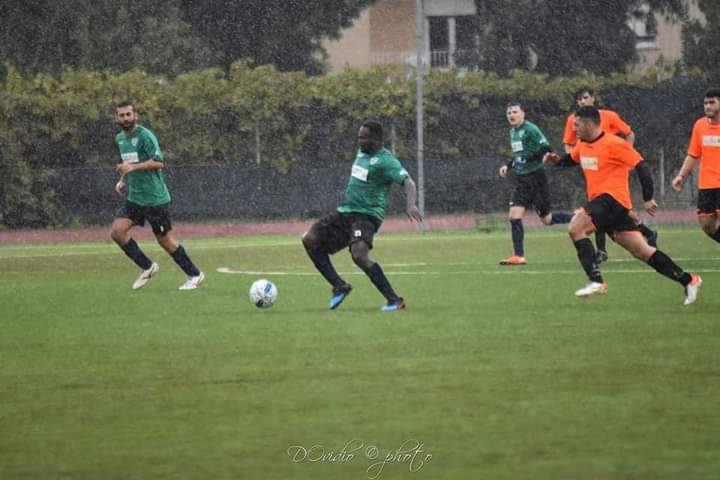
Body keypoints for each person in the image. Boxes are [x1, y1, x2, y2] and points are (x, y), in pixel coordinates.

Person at [545, 106, 701, 305]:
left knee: (576, 228)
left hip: (613, 200)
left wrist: (648, 197)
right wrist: (557, 161)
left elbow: (642, 166)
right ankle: (688, 280)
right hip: (608, 207)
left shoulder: (615, 144)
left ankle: (596, 281)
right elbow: (572, 159)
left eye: (576, 125)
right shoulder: (583, 144)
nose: (573, 129)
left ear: (590, 124)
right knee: (643, 251)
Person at [301, 121, 423, 311]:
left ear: (376, 139)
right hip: (345, 212)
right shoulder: (362, 153)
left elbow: (408, 182)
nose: (360, 141)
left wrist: (411, 204)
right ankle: (339, 286)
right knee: (310, 239)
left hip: (367, 215)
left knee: (359, 255)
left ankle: (395, 300)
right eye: (359, 137)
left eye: (364, 138)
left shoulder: (386, 161)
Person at [110, 100, 205, 290]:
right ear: (117, 118)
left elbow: (159, 162)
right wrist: (123, 179)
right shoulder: (120, 138)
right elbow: (129, 164)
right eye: (122, 115)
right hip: (135, 198)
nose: (125, 118)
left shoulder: (145, 136)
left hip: (155, 199)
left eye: (128, 114)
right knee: (117, 232)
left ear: (135, 115)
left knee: (164, 240)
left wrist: (133, 168)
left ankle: (194, 274)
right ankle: (148, 266)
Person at [562, 86, 656, 263]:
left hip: (612, 170)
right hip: (592, 168)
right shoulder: (573, 120)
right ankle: (645, 233)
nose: (582, 101)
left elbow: (629, 133)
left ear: (593, 98)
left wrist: (627, 157)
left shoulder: (609, 116)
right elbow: (568, 143)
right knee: (605, 211)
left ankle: (602, 252)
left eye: (585, 97)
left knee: (604, 210)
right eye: (579, 99)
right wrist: (575, 157)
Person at [498, 102, 573, 265]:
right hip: (522, 180)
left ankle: (579, 218)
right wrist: (508, 166)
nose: (511, 115)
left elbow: (546, 148)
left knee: (547, 219)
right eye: (509, 113)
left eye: (515, 112)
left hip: (536, 178)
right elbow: (519, 155)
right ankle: (519, 256)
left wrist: (529, 159)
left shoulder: (531, 129)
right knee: (514, 216)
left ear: (522, 114)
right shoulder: (513, 131)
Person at [672, 88, 720, 245]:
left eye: (712, 102)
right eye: (705, 103)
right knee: (707, 225)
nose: (708, 106)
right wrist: (681, 176)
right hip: (707, 184)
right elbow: (693, 154)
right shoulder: (699, 125)